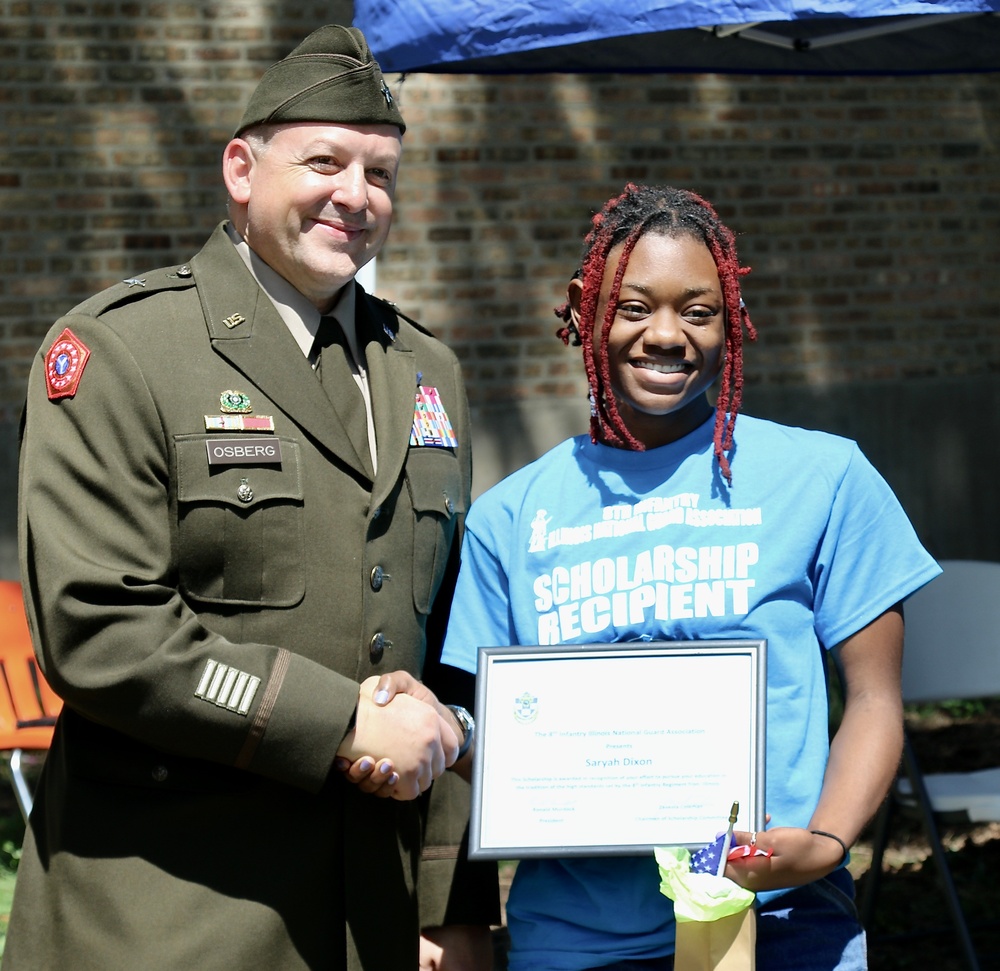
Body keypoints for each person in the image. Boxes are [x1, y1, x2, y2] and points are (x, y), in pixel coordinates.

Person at [6, 24, 497, 971]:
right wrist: (340, 720)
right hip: (173, 913)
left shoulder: (426, 368)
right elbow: (100, 629)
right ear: (242, 169)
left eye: (382, 173)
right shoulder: (124, 352)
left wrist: (447, 903)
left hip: (370, 921)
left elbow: (435, 654)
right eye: (325, 162)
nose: (357, 196)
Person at [434, 183, 941, 971]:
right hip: (576, 939)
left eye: (698, 311)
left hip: (781, 919)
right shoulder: (509, 517)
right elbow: (483, 744)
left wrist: (825, 841)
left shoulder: (825, 476)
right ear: (585, 306)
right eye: (634, 307)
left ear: (731, 315)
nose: (666, 335)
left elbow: (876, 700)